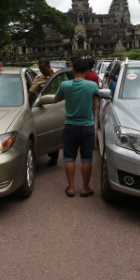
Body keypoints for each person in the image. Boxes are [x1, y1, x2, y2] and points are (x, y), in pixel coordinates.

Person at [54, 58, 99, 197]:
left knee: (69, 158)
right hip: (87, 126)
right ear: (87, 71)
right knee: (86, 159)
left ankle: (71, 188)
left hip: (70, 126)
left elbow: (56, 99)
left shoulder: (65, 85)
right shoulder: (92, 86)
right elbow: (95, 107)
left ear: (72, 70)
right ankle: (85, 188)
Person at [29, 60, 61, 166]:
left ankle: (54, 155)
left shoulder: (58, 75)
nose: (41, 71)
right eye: (40, 69)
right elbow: (32, 93)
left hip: (59, 106)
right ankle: (51, 155)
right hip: (46, 107)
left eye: (43, 68)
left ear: (48, 66)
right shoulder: (39, 79)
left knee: (57, 132)